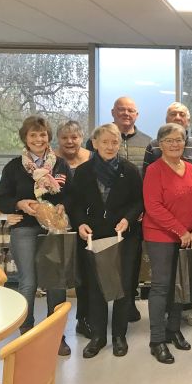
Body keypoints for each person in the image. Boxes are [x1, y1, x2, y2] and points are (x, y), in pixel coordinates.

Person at [0, 115, 72, 355]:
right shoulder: (14, 167)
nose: (38, 139)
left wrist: (63, 205)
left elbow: (72, 194)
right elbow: (1, 199)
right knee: (28, 282)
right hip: (25, 228)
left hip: (54, 230)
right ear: (25, 138)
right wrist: (19, 204)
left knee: (56, 282)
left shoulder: (60, 165)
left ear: (48, 137)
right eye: (33, 135)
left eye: (42, 134)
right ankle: (26, 334)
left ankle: (55, 333)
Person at [71, 123, 143, 358]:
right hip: (94, 235)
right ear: (94, 143)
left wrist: (128, 219)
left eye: (115, 142)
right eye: (105, 142)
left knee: (122, 286)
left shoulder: (129, 170)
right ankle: (98, 336)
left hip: (124, 236)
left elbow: (138, 202)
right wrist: (80, 222)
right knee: (96, 286)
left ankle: (119, 336)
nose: (111, 146)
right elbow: (75, 204)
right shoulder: (83, 172)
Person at [142, 123, 192, 364]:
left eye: (178, 139)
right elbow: (153, 207)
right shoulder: (154, 170)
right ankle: (157, 340)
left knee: (181, 285)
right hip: (160, 236)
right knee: (161, 287)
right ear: (160, 144)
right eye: (168, 140)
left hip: (189, 236)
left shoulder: (191, 168)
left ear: (185, 142)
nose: (174, 144)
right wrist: (181, 231)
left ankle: (173, 329)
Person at [88, 96, 151, 322]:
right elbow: (81, 196)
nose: (109, 146)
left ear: (137, 114)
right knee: (98, 275)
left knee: (127, 272)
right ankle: (97, 324)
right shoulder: (91, 157)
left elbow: (143, 189)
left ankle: (124, 316)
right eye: (121, 110)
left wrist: (133, 215)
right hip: (98, 226)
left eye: (131, 110)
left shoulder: (148, 143)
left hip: (130, 221)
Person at [54, 120, 93, 340]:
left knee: (84, 275)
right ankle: (55, 328)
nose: (70, 141)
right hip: (54, 225)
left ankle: (83, 319)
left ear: (81, 138)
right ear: (58, 139)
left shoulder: (92, 158)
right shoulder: (50, 161)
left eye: (74, 137)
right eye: (65, 137)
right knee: (58, 276)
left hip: (84, 223)